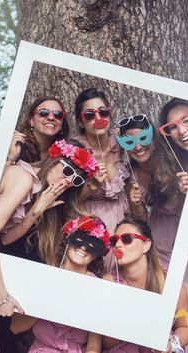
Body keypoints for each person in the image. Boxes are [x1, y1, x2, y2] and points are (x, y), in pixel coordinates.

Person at [116, 108, 188, 353]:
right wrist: (137, 206)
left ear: (154, 137)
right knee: (160, 305)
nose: (138, 147)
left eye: (143, 139)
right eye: (130, 142)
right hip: (155, 242)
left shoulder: (176, 160)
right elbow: (141, 220)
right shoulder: (131, 173)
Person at [0, 139, 99, 353]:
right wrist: (1, 298)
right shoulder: (24, 178)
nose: (67, 181)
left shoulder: (46, 198)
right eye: (66, 170)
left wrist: (36, 211)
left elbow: (6, 239)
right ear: (53, 160)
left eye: (75, 179)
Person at [10, 216, 110, 353]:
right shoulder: (45, 276)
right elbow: (16, 327)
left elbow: (93, 347)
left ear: (97, 255)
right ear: (68, 239)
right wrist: (49, 298)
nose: (83, 247)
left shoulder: (97, 288)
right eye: (79, 239)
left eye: (92, 245)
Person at [103, 218, 188, 353]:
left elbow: (186, 327)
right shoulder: (108, 283)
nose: (117, 245)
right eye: (114, 240)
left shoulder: (170, 284)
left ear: (146, 245)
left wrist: (171, 343)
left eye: (127, 239)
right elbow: (106, 343)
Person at [74, 88, 130, 270]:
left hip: (122, 221)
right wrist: (93, 185)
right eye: (89, 115)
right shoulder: (74, 151)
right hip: (89, 222)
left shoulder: (123, 143)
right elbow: (68, 201)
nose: (98, 118)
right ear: (80, 122)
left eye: (103, 112)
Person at [6, 95, 69, 165]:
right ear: (32, 121)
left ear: (62, 124)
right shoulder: (16, 145)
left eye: (58, 114)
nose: (51, 118)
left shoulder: (65, 153)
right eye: (44, 112)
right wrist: (11, 157)